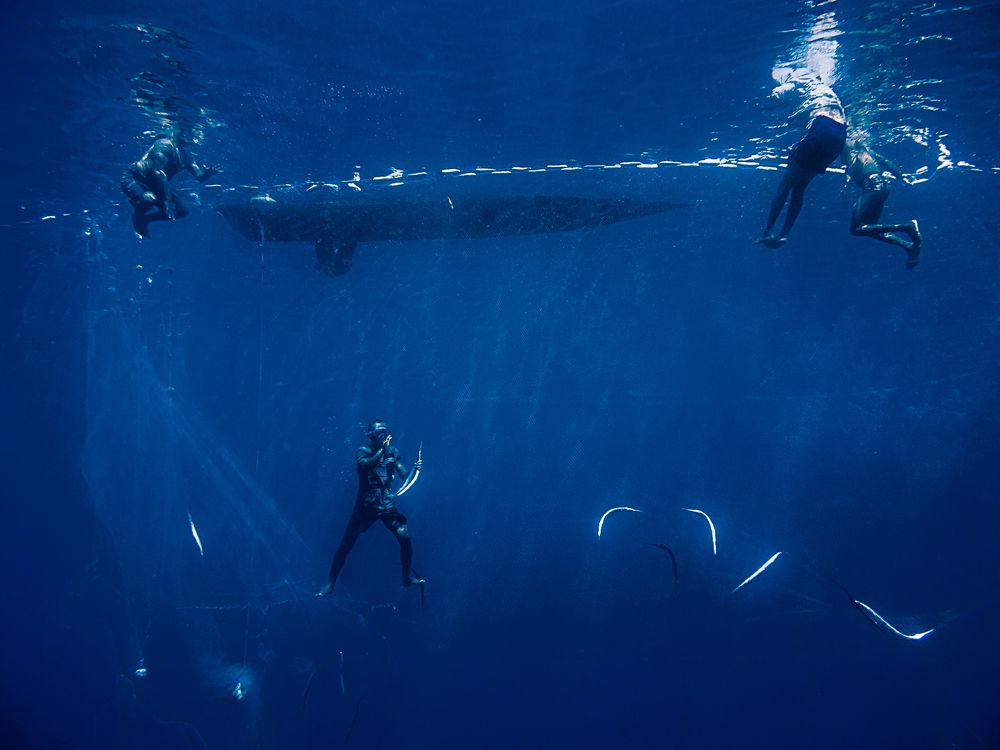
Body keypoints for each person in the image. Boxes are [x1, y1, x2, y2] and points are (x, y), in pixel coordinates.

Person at [317, 421, 424, 596]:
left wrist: (415, 469)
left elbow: (404, 475)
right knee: (346, 544)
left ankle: (406, 578)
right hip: (365, 506)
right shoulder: (363, 451)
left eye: (385, 431)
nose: (383, 435)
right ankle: (330, 583)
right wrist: (382, 450)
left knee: (404, 535)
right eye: (380, 432)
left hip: (386, 504)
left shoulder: (393, 452)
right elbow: (366, 465)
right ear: (372, 435)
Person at [757, 68, 847, 248]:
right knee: (799, 189)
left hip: (821, 125)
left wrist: (770, 100)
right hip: (840, 135)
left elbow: (777, 94)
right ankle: (784, 234)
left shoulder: (798, 81)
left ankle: (768, 231)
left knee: (786, 184)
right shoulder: (826, 90)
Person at [845, 134, 922, 269]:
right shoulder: (868, 152)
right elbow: (886, 162)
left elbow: (852, 167)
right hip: (883, 186)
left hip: (872, 187)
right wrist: (902, 176)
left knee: (856, 229)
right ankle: (909, 247)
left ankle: (907, 227)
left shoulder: (852, 152)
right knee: (871, 227)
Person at [120, 134, 218, 238]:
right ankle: (137, 218)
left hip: (155, 185)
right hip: (135, 178)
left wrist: (207, 174)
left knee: (181, 210)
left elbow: (199, 177)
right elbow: (158, 172)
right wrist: (167, 200)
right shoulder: (164, 144)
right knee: (149, 198)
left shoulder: (187, 157)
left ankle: (146, 219)